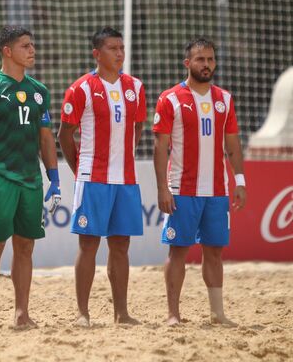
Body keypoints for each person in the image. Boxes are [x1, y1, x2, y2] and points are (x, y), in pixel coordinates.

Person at [0, 25, 61, 330]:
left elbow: (46, 139)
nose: (32, 51)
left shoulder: (39, 91)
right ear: (7, 51)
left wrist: (54, 179)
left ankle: (22, 313)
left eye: (33, 45)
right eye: (26, 46)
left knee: (26, 248)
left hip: (31, 180)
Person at [153, 37, 246, 326]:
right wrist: (163, 188)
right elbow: (160, 147)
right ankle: (173, 314)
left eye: (210, 59)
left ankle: (218, 314)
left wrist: (239, 180)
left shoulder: (225, 99)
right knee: (178, 250)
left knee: (214, 252)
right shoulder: (170, 99)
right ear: (187, 63)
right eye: (200, 59)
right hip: (183, 189)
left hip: (218, 190)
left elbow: (232, 145)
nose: (206, 65)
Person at [58, 27, 146, 326]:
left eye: (122, 47)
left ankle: (121, 312)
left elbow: (138, 127)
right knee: (89, 245)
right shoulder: (81, 88)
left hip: (126, 179)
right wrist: (79, 169)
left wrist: (126, 155)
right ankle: (82, 313)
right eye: (113, 48)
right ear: (97, 53)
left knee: (121, 245)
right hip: (93, 178)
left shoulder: (135, 86)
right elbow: (65, 134)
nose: (120, 53)